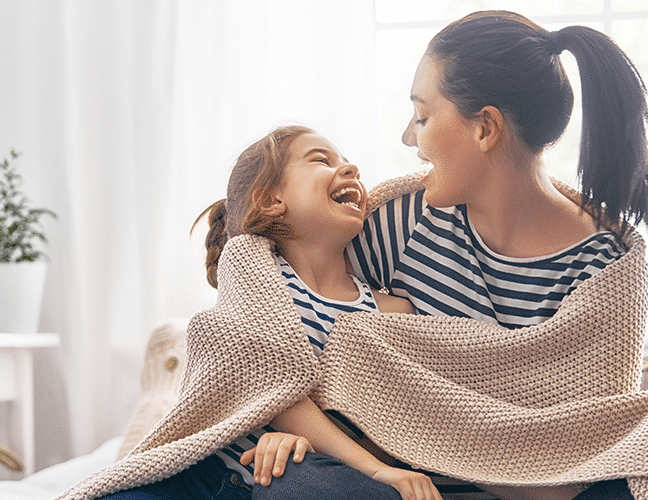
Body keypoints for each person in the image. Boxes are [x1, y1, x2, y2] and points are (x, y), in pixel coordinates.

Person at [269, 10, 648, 500]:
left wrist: (447, 430)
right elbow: (281, 325)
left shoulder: (604, 269)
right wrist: (289, 421)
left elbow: (581, 458)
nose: (409, 138)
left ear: (485, 129)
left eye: (423, 116)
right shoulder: (404, 223)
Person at [97, 124, 443, 500]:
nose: (350, 169)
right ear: (270, 201)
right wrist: (371, 466)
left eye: (346, 161)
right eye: (321, 160)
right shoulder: (253, 269)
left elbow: (400, 421)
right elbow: (266, 378)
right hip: (209, 474)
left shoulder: (392, 311)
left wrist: (318, 449)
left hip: (297, 473)